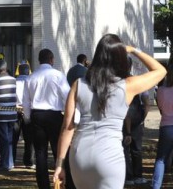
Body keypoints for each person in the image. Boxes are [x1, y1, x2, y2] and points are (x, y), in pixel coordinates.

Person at [51, 35, 166, 189]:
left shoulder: (79, 84)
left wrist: (59, 164)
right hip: (109, 157)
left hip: (79, 155)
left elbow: (67, 128)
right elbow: (160, 70)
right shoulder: (127, 86)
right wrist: (133, 50)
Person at [22, 49, 70, 189]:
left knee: (40, 153)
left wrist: (27, 118)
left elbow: (26, 102)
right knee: (58, 151)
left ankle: (43, 186)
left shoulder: (31, 77)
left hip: (37, 116)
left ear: (39, 60)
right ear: (51, 59)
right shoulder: (58, 75)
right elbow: (67, 96)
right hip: (55, 116)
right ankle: (60, 182)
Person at [122, 59, 149, 186]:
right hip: (137, 120)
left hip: (120, 120)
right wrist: (142, 118)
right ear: (131, 65)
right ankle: (138, 175)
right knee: (137, 149)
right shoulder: (138, 81)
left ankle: (127, 176)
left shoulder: (116, 82)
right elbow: (147, 102)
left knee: (124, 149)